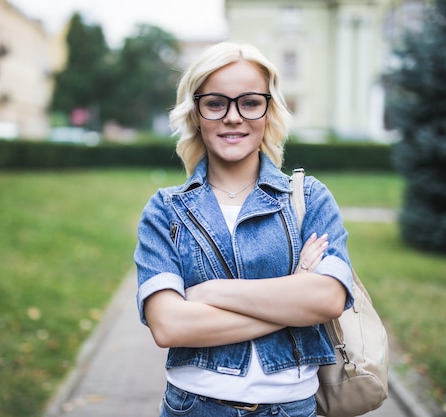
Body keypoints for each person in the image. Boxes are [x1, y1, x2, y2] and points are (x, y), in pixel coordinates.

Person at [134, 41, 354, 417]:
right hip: (194, 407)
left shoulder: (308, 198)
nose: (233, 117)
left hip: (291, 408)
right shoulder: (166, 209)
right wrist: (295, 294)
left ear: (269, 111)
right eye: (216, 103)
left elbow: (329, 300)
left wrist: (211, 293)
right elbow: (169, 326)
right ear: (196, 113)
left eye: (250, 102)